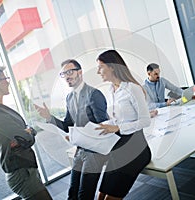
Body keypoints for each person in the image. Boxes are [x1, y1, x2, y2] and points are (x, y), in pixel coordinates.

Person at [0, 63, 52, 200]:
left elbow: (22, 137)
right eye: (5, 79)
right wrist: (29, 132)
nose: (8, 83)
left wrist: (27, 132)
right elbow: (26, 139)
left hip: (26, 170)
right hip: (22, 174)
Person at [34, 59, 109, 200]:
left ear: (80, 72)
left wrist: (79, 134)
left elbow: (103, 126)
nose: (67, 76)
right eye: (63, 74)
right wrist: (49, 117)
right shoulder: (69, 98)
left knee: (84, 195)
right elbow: (68, 125)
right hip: (80, 149)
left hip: (95, 151)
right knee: (72, 193)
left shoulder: (94, 94)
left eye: (70, 72)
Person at [95, 50, 152, 200]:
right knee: (101, 194)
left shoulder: (132, 89)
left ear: (112, 67)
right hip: (119, 147)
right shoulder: (112, 90)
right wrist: (99, 126)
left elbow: (145, 120)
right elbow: (117, 120)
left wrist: (118, 128)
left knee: (110, 198)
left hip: (137, 149)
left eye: (100, 67)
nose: (97, 71)